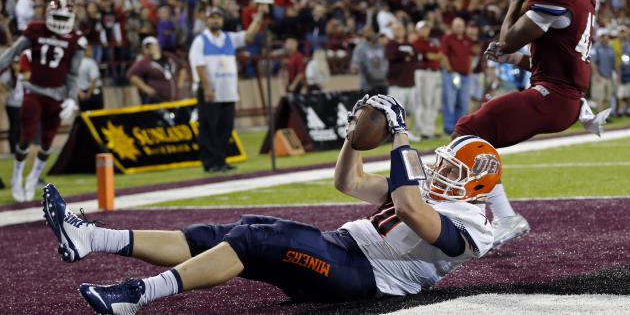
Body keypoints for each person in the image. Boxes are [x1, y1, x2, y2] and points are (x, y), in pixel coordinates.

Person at [41, 94, 499, 314]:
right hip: (340, 250)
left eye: (453, 173)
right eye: (442, 166)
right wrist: (352, 137)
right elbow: (348, 181)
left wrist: (401, 135)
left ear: (476, 189)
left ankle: (138, 294)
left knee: (261, 237)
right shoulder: (428, 192)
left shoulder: (469, 227)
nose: (440, 173)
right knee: (226, 233)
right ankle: (91, 237)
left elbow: (412, 210)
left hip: (364, 279)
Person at [454, 0, 606, 248]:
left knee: (468, 131)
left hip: (553, 97)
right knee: (475, 134)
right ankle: (477, 208)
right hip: (563, 97)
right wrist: (515, 60)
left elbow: (509, 35)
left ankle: (500, 217)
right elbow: (556, 57)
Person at [0, 0, 85, 202]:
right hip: (34, 91)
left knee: (47, 143)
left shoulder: (76, 39)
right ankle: (16, 177)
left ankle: (33, 177)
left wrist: (72, 99)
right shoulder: (36, 30)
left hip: (57, 95)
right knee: (26, 136)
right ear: (48, 15)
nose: (61, 21)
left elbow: (73, 75)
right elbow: (12, 53)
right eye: (57, 16)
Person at [189, 5, 265, 173]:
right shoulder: (200, 41)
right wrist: (207, 88)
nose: (216, 20)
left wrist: (259, 16)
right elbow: (199, 66)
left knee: (225, 127)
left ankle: (221, 160)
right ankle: (210, 163)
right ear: (206, 20)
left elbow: (249, 36)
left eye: (218, 17)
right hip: (211, 91)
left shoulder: (228, 38)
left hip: (227, 92)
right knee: (209, 128)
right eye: (212, 17)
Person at [126, 36, 186, 104]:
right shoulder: (144, 62)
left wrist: (180, 84)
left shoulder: (168, 57)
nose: (150, 48)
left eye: (151, 45)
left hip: (176, 98)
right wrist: (145, 88)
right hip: (157, 101)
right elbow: (131, 75)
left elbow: (182, 68)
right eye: (147, 47)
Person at [440, 17, 474, 135]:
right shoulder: (448, 38)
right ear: (452, 27)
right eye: (457, 25)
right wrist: (449, 69)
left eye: (461, 25)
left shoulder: (467, 39)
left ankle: (459, 128)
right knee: (450, 101)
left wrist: (470, 69)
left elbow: (469, 55)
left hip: (465, 75)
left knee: (463, 102)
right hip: (452, 74)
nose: (459, 28)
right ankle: (448, 128)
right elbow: (443, 55)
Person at [412, 20, 443, 139]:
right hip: (424, 73)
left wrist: (435, 56)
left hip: (434, 73)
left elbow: (440, 56)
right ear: (417, 30)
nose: (425, 30)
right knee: (424, 101)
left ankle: (430, 129)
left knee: (434, 102)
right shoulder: (416, 42)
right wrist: (435, 56)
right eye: (422, 28)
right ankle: (423, 130)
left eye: (426, 28)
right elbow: (430, 56)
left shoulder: (432, 42)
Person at [350, 27, 389, 95]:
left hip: (382, 83)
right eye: (367, 32)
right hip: (368, 85)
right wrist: (355, 68)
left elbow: (386, 62)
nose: (370, 34)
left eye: (371, 32)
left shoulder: (381, 47)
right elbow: (355, 64)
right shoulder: (360, 48)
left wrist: (385, 73)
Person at [0, 56, 25, 152]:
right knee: (14, 126)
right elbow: (1, 85)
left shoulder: (23, 73)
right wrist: (7, 91)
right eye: (15, 63)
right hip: (12, 104)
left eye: (18, 62)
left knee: (21, 127)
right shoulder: (7, 75)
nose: (17, 65)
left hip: (22, 103)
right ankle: (13, 150)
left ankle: (20, 148)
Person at [77, 44, 103, 111]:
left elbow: (74, 80)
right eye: (90, 50)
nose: (92, 52)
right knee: (98, 117)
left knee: (84, 117)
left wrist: (79, 92)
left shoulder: (77, 63)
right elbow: (93, 80)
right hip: (93, 93)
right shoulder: (91, 63)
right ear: (86, 51)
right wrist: (89, 93)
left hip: (81, 93)